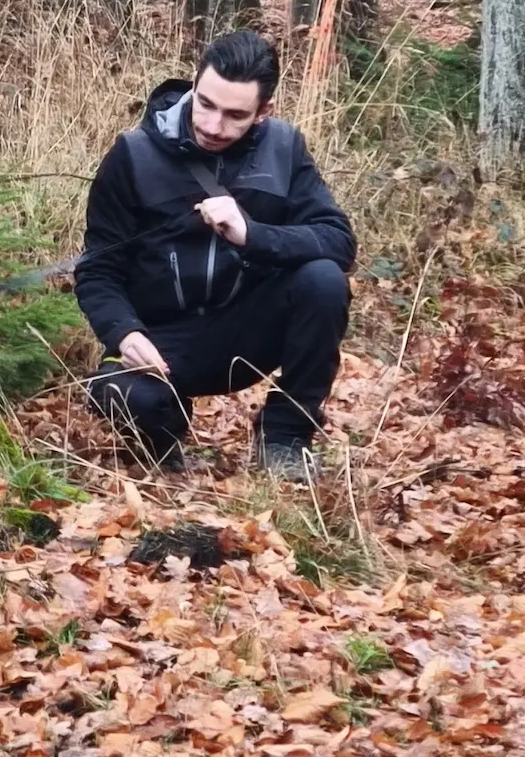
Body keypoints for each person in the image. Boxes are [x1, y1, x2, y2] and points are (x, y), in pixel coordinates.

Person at [74, 31, 356, 474]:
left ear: (264, 113)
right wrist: (124, 333)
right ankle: (163, 434)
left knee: (323, 281)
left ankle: (284, 438)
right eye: (205, 104)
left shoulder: (284, 149)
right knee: (122, 394)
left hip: (249, 329)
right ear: (193, 85)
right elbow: (97, 271)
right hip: (163, 340)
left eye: (234, 115)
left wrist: (252, 233)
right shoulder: (132, 156)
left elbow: (339, 241)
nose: (212, 126)